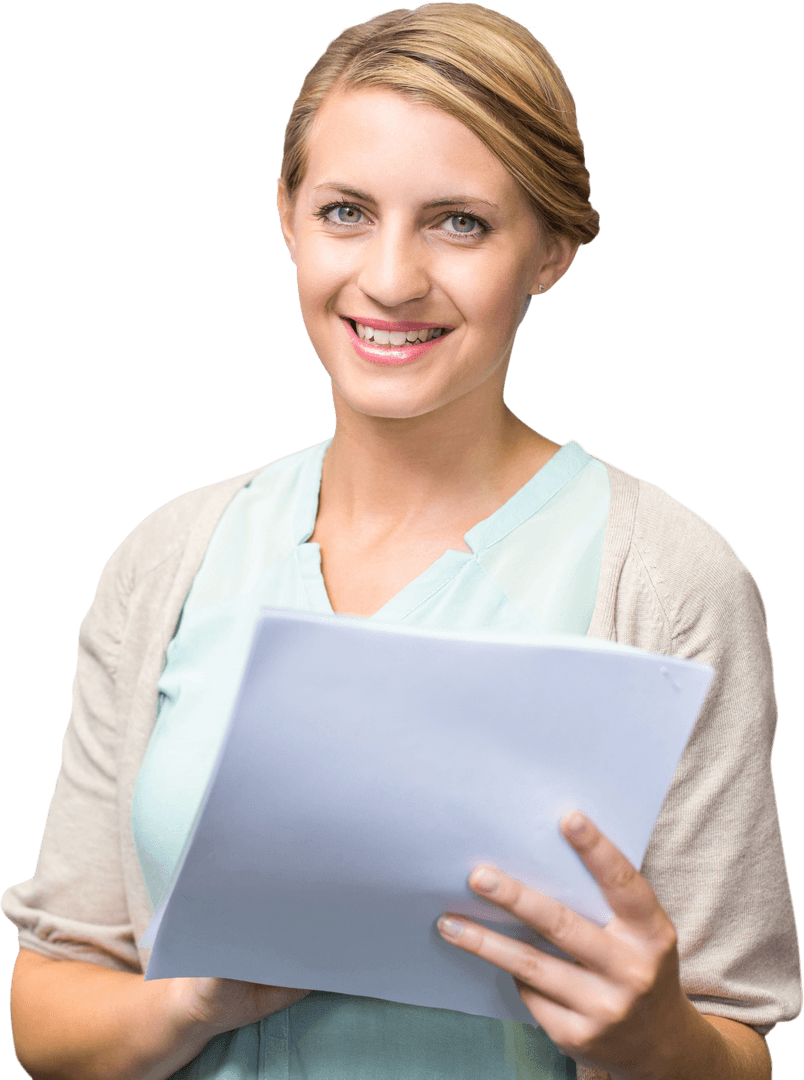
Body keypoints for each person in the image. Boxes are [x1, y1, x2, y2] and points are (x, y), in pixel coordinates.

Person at [3, 4, 800, 1079]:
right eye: (345, 211)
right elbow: (49, 1005)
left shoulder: (665, 578)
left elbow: (736, 1044)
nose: (389, 278)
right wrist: (195, 999)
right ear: (286, 217)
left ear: (552, 248)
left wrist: (651, 1036)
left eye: (459, 222)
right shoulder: (171, 556)